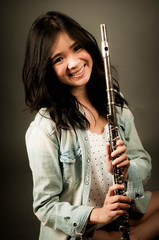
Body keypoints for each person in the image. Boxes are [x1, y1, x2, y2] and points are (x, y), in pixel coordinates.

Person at [22, 11, 159, 240]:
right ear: (46, 69)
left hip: (118, 212)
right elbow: (45, 206)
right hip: (84, 224)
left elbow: (143, 161)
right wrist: (98, 214)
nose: (74, 63)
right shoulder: (45, 128)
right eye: (58, 59)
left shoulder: (114, 104)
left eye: (76, 48)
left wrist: (128, 170)